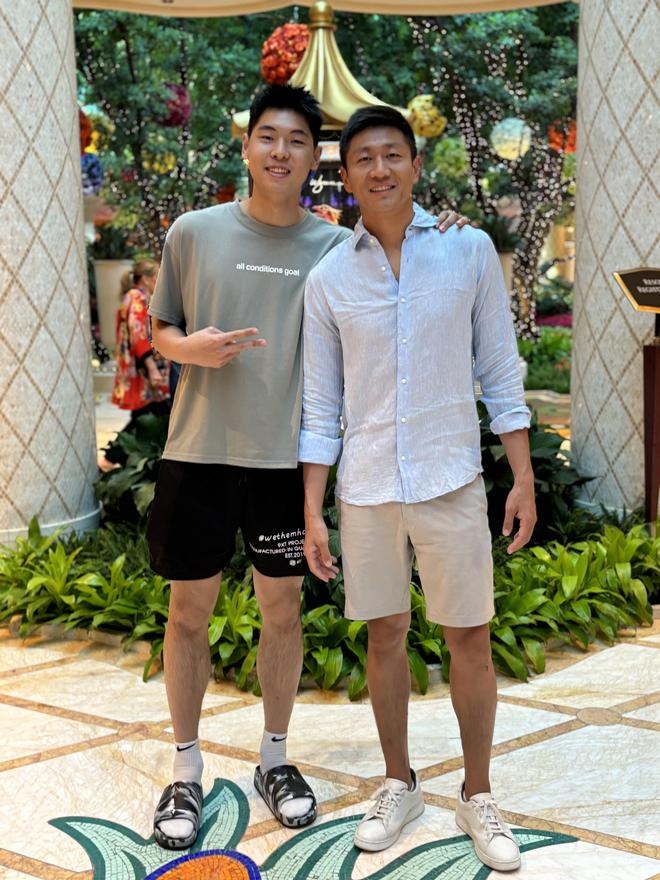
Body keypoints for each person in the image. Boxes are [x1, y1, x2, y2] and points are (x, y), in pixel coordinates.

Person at [145, 84, 469, 851]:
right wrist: (191, 349)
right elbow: (161, 329)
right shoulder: (193, 232)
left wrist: (446, 226)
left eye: (297, 140)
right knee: (187, 614)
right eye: (269, 137)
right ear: (247, 146)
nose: (281, 151)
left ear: (313, 158)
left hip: (285, 466)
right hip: (198, 453)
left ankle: (275, 759)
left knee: (282, 611)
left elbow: (402, 252)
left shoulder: (334, 246)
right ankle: (185, 770)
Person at [300, 106, 536, 874]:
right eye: (364, 158)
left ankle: (478, 792)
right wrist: (313, 508)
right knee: (384, 635)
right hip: (368, 486)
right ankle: (398, 783)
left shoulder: (468, 251)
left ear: (415, 164)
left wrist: (522, 476)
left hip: (450, 477)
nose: (380, 169)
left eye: (392, 154)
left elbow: (500, 370)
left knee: (470, 637)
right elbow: (319, 406)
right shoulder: (330, 278)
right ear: (346, 176)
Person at [111, 259, 170, 426]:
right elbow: (138, 335)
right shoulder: (138, 298)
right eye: (157, 276)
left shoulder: (131, 297)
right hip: (143, 368)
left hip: (139, 366)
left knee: (145, 415)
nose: (159, 281)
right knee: (147, 417)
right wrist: (152, 369)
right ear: (146, 279)